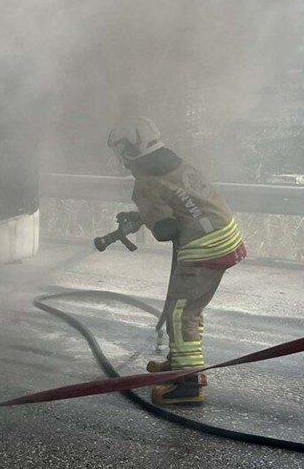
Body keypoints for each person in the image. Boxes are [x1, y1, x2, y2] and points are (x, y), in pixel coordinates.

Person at [107, 116, 246, 406]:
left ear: (127, 151)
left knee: (182, 313)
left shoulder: (146, 182)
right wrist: (143, 215)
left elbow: (165, 230)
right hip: (225, 235)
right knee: (185, 307)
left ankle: (189, 384)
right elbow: (182, 204)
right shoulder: (178, 164)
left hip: (203, 249)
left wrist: (144, 214)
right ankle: (180, 361)